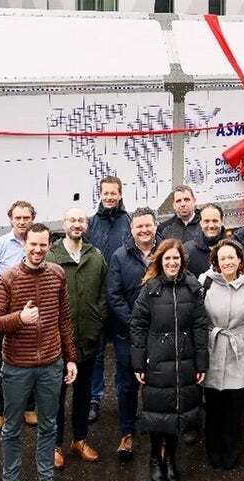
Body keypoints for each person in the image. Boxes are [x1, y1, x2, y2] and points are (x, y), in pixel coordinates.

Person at [0, 223, 78, 481]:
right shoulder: (9, 277)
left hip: (51, 364)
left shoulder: (57, 274)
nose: (38, 250)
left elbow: (64, 319)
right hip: (16, 366)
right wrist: (19, 319)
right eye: (33, 245)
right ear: (24, 245)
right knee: (12, 429)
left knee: (49, 426)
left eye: (43, 245)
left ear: (49, 246)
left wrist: (71, 358)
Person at [130, 239, 210, 481]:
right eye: (168, 259)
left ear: (182, 261)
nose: (172, 263)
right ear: (160, 261)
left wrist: (201, 362)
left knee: (177, 413)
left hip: (184, 362)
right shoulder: (150, 289)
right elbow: (138, 325)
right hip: (157, 362)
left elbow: (199, 325)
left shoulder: (192, 288)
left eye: (176, 259)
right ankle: (156, 459)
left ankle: (171, 459)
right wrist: (138, 363)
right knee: (157, 414)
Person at [45, 208, 107, 468]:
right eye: (72, 220)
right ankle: (55, 445)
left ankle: (79, 439)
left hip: (88, 340)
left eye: (81, 220)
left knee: (83, 394)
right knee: (55, 397)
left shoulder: (95, 257)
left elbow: (103, 294)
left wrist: (97, 320)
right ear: (64, 223)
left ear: (87, 225)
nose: (77, 224)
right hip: (58, 343)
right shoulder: (52, 257)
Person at [200, 240, 244, 469]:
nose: (227, 262)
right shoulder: (205, 281)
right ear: (216, 261)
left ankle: (232, 450)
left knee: (235, 406)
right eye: (223, 258)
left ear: (239, 260)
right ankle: (213, 450)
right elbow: (198, 321)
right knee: (214, 406)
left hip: (239, 350)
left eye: (231, 257)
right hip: (212, 349)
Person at [107, 207, 161, 461]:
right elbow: (114, 296)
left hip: (159, 334)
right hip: (127, 335)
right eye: (139, 226)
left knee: (157, 385)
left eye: (148, 225)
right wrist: (134, 323)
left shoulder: (166, 253)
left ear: (155, 226)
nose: (144, 230)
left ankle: (157, 434)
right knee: (127, 385)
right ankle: (127, 433)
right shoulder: (119, 256)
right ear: (131, 229)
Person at [0, 201, 38, 431]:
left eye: (26, 218)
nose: (22, 222)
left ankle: (29, 407)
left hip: (33, 316)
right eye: (18, 218)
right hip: (8, 317)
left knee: (32, 362)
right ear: (10, 219)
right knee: (4, 363)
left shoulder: (38, 244)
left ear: (32, 219)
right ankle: (1, 410)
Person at [86, 176, 132, 423]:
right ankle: (95, 397)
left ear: (120, 193)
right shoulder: (91, 223)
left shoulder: (129, 221)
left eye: (114, 193)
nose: (110, 197)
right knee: (97, 353)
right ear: (100, 194)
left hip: (122, 299)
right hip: (97, 301)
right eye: (106, 193)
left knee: (124, 353)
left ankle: (124, 395)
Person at [184, 203, 227, 277]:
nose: (211, 226)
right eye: (206, 221)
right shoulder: (187, 251)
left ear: (222, 221)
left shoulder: (234, 248)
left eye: (215, 221)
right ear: (200, 223)